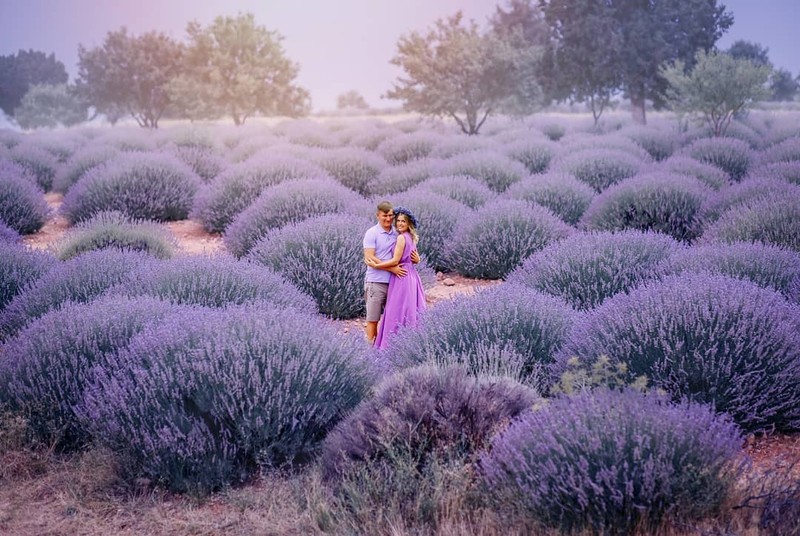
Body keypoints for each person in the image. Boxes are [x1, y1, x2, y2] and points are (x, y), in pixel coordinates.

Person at [367, 206, 426, 349]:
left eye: (403, 221)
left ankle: (389, 347)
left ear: (409, 224)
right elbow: (414, 258)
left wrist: (376, 266)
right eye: (398, 220)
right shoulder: (411, 237)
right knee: (410, 310)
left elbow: (395, 261)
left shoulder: (400, 237)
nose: (399, 223)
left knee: (396, 311)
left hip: (401, 276)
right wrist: (417, 260)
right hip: (411, 276)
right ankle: (409, 345)